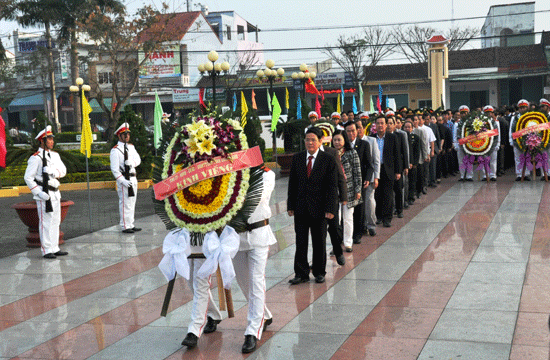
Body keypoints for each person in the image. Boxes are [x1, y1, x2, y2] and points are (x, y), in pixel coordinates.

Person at [232, 166, 276, 353]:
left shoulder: (266, 174)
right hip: (236, 237)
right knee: (243, 282)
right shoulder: (227, 175)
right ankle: (263, 315)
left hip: (258, 234)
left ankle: (252, 331)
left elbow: (258, 198)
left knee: (256, 280)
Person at [287, 127, 338, 285]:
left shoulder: (328, 159)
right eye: (307, 139)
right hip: (301, 207)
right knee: (300, 241)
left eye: (313, 140)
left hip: (320, 208)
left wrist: (330, 209)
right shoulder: (297, 158)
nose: (310, 143)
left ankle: (319, 272)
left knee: (319, 241)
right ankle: (301, 273)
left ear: (320, 141)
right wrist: (291, 205)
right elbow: (292, 183)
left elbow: (332, 186)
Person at [24, 125, 68, 259]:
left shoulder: (55, 156)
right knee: (46, 223)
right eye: (49, 139)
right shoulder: (36, 158)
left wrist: (53, 172)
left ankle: (55, 247)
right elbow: (28, 178)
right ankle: (47, 249)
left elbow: (63, 171)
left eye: (52, 139)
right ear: (42, 141)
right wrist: (38, 192)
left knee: (55, 221)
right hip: (44, 194)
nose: (52, 142)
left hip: (55, 192)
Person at [332, 130, 362, 252]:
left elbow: (357, 172)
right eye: (335, 140)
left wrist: (358, 190)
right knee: (335, 220)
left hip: (349, 191)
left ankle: (348, 243)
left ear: (344, 140)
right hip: (334, 192)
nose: (337, 142)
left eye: (339, 140)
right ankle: (336, 245)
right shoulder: (330, 154)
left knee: (348, 218)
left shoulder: (351, 153)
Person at [344, 120, 373, 244]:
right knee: (345, 210)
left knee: (358, 209)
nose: (351, 134)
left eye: (353, 131)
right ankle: (345, 235)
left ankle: (357, 234)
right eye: (348, 131)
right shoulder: (342, 145)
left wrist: (367, 178)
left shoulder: (364, 144)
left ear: (357, 131)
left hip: (358, 181)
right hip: (345, 182)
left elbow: (369, 165)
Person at [110, 122, 142, 233]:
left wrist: (132, 162)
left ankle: (130, 224)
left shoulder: (131, 147)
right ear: (119, 135)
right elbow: (114, 169)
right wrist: (122, 181)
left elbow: (138, 160)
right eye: (124, 134)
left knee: (132, 202)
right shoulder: (115, 150)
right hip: (124, 178)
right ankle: (125, 225)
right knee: (125, 203)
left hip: (133, 178)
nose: (127, 136)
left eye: (128, 134)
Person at [371, 116, 400, 227]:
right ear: (375, 125)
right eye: (378, 123)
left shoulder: (392, 137)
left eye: (382, 123)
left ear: (386, 124)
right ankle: (378, 216)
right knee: (377, 194)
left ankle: (387, 218)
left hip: (388, 169)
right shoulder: (372, 138)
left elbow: (397, 155)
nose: (380, 125)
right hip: (376, 170)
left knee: (388, 194)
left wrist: (398, 171)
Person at [358, 116, 380, 237]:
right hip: (357, 180)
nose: (358, 130)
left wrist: (376, 177)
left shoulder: (371, 141)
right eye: (356, 128)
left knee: (369, 202)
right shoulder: (351, 143)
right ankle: (361, 226)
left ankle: (371, 225)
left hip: (370, 178)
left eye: (360, 128)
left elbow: (376, 161)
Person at [508, 99, 531, 181]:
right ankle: (519, 174)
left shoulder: (531, 116)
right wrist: (511, 140)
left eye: (524, 107)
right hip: (517, 141)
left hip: (529, 141)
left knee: (527, 158)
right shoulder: (514, 118)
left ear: (527, 108)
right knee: (518, 158)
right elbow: (511, 129)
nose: (522, 109)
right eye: (521, 108)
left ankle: (527, 174)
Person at [454, 105, 473, 181]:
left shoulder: (471, 122)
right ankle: (462, 176)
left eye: (465, 113)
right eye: (462, 113)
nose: (463, 115)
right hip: (460, 143)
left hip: (469, 144)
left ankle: (469, 176)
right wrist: (455, 144)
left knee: (469, 160)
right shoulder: (457, 123)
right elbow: (455, 135)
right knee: (461, 160)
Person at [482, 105, 500, 181]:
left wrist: (497, 144)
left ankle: (493, 175)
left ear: (492, 113)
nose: (488, 114)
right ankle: (485, 175)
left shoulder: (495, 122)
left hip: (493, 144)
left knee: (493, 161)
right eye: (486, 113)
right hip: (484, 144)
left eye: (490, 113)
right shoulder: (480, 123)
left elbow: (498, 134)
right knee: (483, 161)